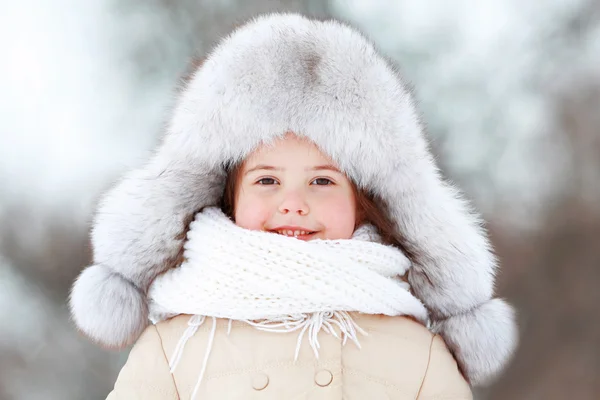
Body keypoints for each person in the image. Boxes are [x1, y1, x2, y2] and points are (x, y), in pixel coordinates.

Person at [69, 13, 517, 399]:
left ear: (364, 204)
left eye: (322, 180)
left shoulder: (417, 353)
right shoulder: (175, 345)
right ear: (229, 197)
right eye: (267, 180)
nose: (293, 203)